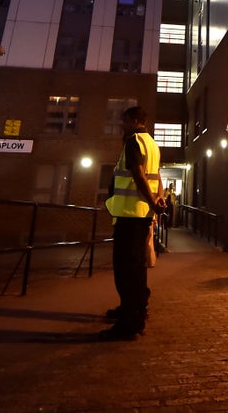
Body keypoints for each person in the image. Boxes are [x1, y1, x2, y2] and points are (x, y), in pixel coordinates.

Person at [101, 105, 165, 340]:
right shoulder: (152, 144)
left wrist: (152, 201)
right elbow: (156, 175)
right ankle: (136, 312)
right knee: (136, 269)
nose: (123, 126)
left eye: (125, 121)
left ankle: (128, 323)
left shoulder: (134, 141)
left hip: (130, 215)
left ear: (135, 120)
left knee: (126, 270)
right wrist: (159, 201)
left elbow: (138, 174)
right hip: (140, 216)